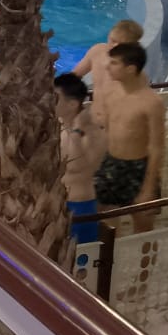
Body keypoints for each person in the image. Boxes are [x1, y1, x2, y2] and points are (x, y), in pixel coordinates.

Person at [93, 41, 165, 233]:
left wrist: (149, 188)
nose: (107, 67)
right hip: (111, 164)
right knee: (104, 223)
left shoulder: (151, 103)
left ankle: (144, 255)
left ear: (130, 69)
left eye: (114, 63)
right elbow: (108, 133)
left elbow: (157, 148)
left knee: (143, 226)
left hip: (138, 168)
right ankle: (110, 251)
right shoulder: (110, 93)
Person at [55, 73, 106, 245]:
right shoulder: (60, 126)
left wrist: (76, 130)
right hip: (56, 204)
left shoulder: (93, 132)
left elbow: (82, 165)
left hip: (79, 205)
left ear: (72, 104)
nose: (50, 102)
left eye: (55, 98)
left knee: (80, 257)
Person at [72, 18, 143, 92]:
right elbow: (75, 75)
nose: (114, 46)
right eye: (113, 40)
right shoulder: (97, 51)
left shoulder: (130, 68)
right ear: (109, 35)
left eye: (121, 44)